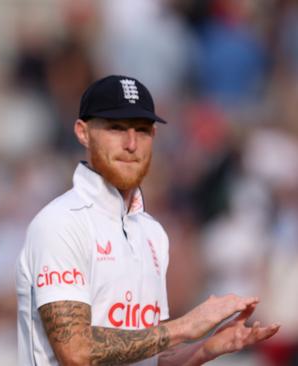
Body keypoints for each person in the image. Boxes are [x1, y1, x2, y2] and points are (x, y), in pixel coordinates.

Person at [16, 75, 279, 365]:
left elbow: (153, 357)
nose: (131, 143)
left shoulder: (153, 233)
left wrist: (206, 348)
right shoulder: (60, 223)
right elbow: (76, 351)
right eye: (116, 128)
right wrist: (185, 326)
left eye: (141, 131)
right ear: (83, 132)